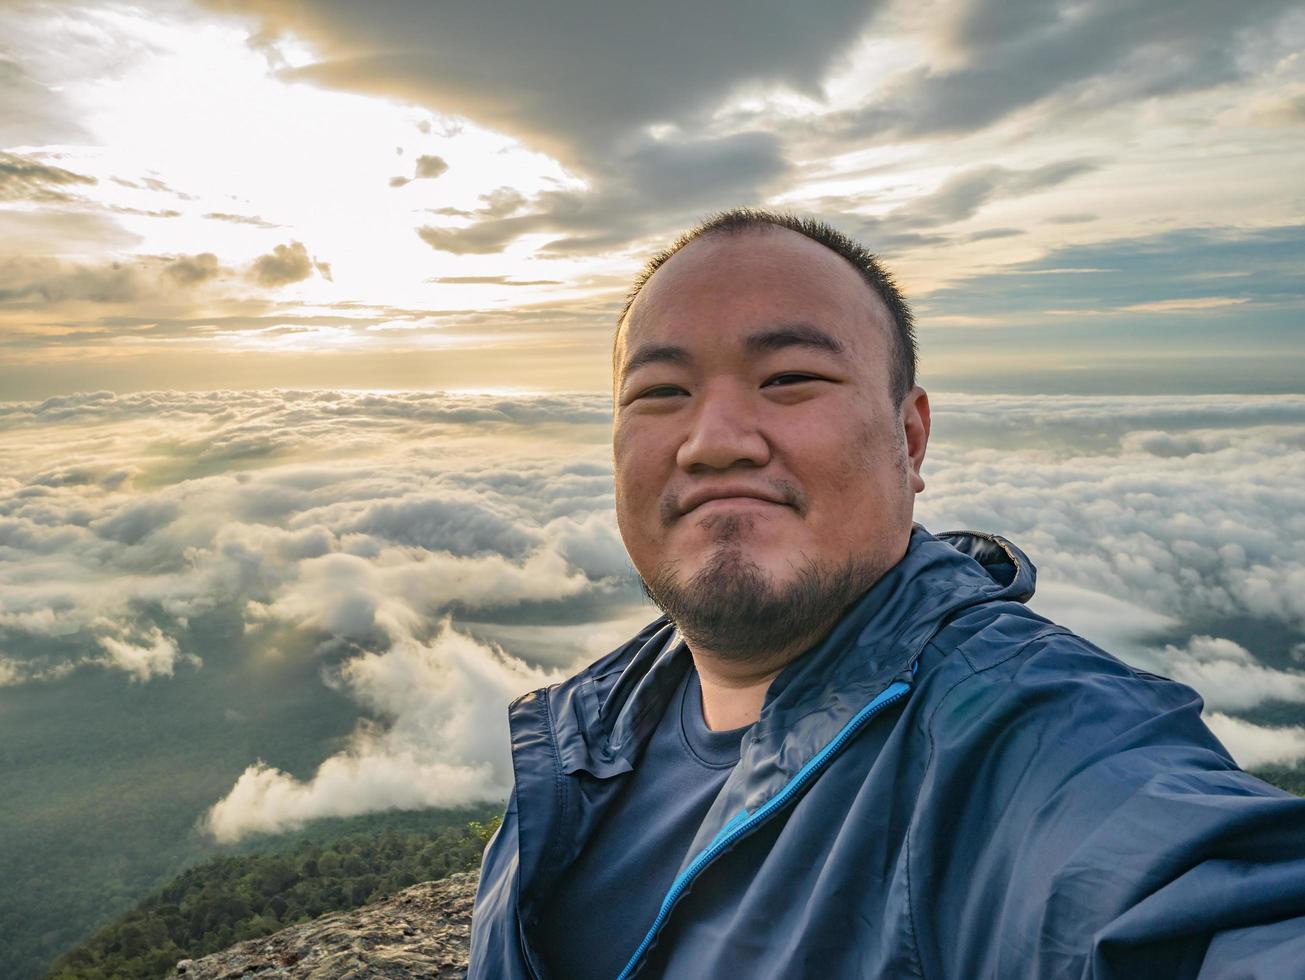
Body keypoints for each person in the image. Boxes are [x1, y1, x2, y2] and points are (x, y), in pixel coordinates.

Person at [467, 209, 1305, 979]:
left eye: (789, 377)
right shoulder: (582, 734)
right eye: (658, 393)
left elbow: (1191, 897)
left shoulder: (1019, 735)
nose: (712, 441)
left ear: (908, 437)